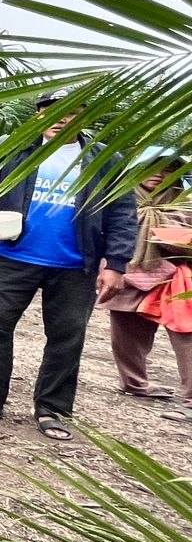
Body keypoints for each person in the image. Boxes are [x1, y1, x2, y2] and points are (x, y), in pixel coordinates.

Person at [0, 91, 136, 440]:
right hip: (13, 257)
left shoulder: (105, 157)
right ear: (38, 116)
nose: (61, 118)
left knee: (66, 337)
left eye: (72, 112)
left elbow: (123, 212)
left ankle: (53, 409)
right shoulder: (14, 146)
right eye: (53, 111)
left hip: (76, 264)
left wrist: (117, 264)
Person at [103, 148, 192, 417]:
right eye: (149, 168)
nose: (158, 174)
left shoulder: (185, 199)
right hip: (129, 273)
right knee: (126, 334)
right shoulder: (119, 199)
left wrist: (169, 236)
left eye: (167, 168)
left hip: (177, 278)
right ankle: (134, 383)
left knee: (186, 337)